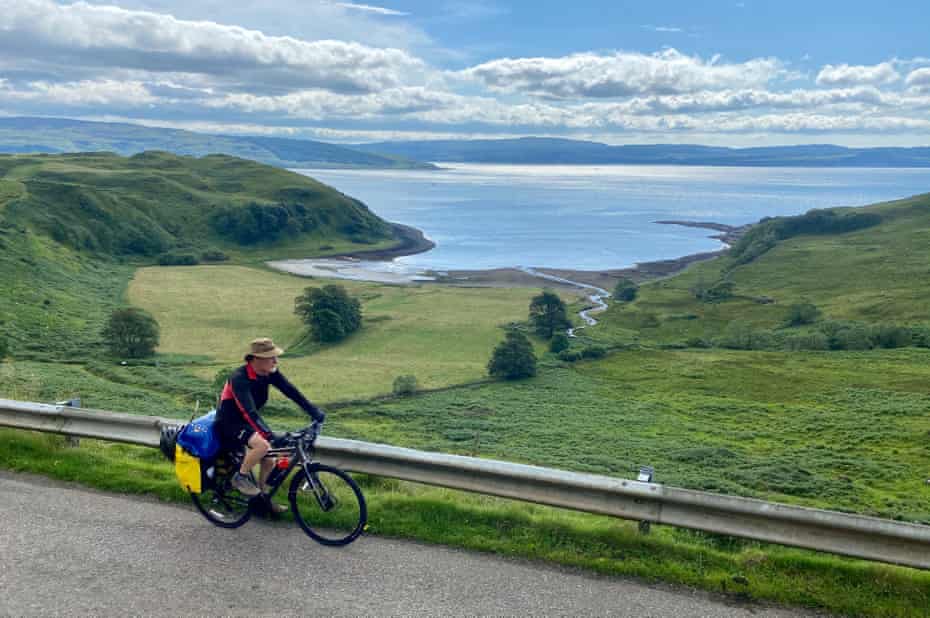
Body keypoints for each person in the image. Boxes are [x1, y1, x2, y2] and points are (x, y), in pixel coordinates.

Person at [215, 337, 325, 510]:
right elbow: (248, 411)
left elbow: (290, 391)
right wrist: (268, 435)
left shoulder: (269, 373)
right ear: (256, 359)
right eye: (271, 357)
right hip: (230, 422)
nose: (275, 360)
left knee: (269, 461)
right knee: (262, 446)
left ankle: (261, 501)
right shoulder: (239, 378)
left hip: (247, 422)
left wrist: (313, 411)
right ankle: (240, 478)